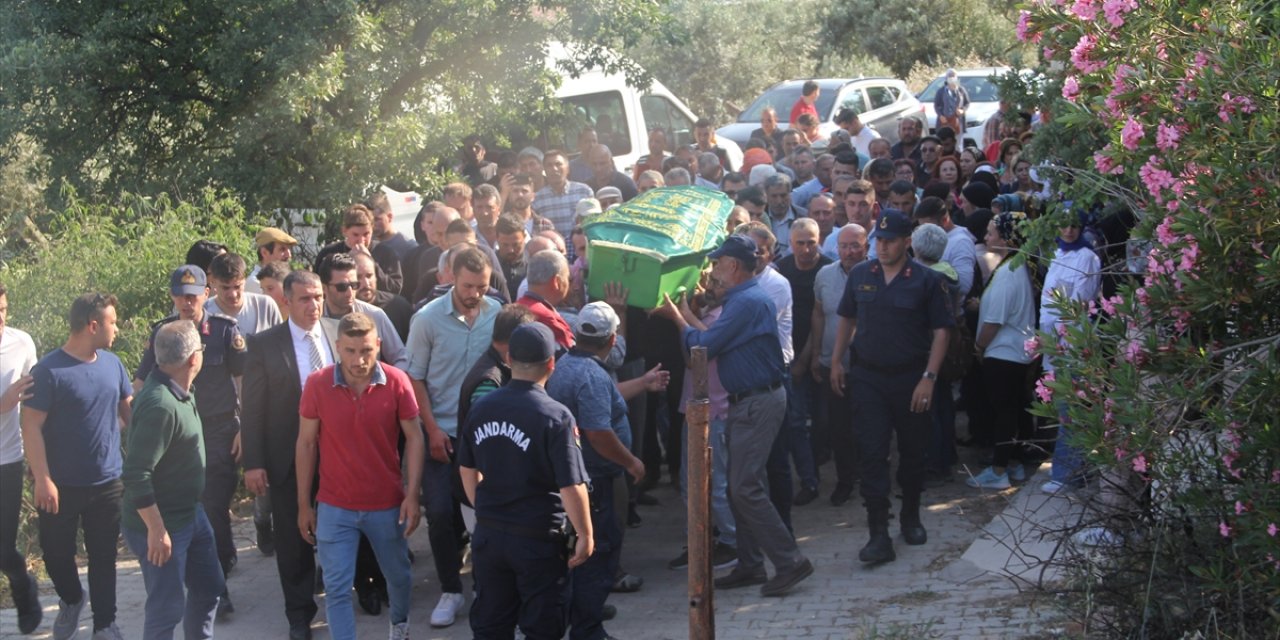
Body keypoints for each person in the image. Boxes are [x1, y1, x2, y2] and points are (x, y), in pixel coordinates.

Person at [655, 235, 814, 597]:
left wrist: (678, 318)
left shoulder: (747, 301)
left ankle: (789, 561)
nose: (712, 270)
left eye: (717, 263)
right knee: (743, 486)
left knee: (744, 487)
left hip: (757, 401)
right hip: (749, 401)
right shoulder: (744, 298)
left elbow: (702, 346)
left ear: (734, 266)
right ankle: (751, 563)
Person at [829, 210, 953, 564]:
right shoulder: (861, 275)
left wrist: (929, 378)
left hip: (910, 377)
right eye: (878, 241)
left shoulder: (926, 280)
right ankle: (878, 532)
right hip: (868, 378)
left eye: (890, 241)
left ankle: (910, 514)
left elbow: (942, 331)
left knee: (913, 454)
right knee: (871, 453)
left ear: (907, 242)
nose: (882, 247)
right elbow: (847, 318)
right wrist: (837, 361)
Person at [457, 322, 593, 639]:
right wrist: (586, 533)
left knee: (491, 624)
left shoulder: (483, 408)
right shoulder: (555, 416)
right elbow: (571, 485)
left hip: (491, 535)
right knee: (543, 626)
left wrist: (487, 509)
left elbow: (466, 468)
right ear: (551, 363)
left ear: (508, 359)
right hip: (537, 539)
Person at [296, 312, 424, 640]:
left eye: (366, 350)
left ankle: (400, 627)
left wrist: (412, 495)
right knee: (337, 588)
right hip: (335, 506)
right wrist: (304, 505)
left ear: (378, 346)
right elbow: (307, 443)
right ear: (338, 347)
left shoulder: (396, 381)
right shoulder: (317, 384)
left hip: (386, 503)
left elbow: (415, 437)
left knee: (398, 577)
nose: (359, 359)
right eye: (350, 351)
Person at [548, 302, 667, 639]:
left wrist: (643, 382)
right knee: (599, 551)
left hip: (576, 477)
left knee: (580, 551)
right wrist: (631, 461)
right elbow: (599, 434)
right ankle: (588, 627)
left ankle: (583, 611)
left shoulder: (568, 365)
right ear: (612, 340)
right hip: (597, 479)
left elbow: (604, 398)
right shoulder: (592, 375)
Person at [134, 266, 246, 619]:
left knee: (213, 505)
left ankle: (219, 584)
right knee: (198, 509)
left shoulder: (224, 331)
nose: (186, 301)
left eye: (193, 294)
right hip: (175, 433)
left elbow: (243, 380)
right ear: (172, 296)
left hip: (217, 429)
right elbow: (141, 382)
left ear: (206, 293)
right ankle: (212, 577)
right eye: (180, 295)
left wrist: (245, 428)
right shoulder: (163, 334)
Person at [23, 293, 133, 640]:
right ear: (93, 325)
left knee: (103, 558)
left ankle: (105, 624)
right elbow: (31, 427)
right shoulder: (48, 371)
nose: (117, 328)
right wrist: (43, 478)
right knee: (56, 555)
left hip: (107, 482)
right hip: (60, 484)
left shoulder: (113, 364)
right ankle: (71, 598)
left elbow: (130, 414)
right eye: (113, 322)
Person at [406, 246, 501, 628]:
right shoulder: (426, 320)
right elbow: (414, 377)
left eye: (482, 286)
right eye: (468, 285)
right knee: (442, 514)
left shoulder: (497, 315)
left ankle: (488, 586)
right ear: (450, 278)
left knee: (485, 514)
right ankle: (450, 589)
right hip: (441, 435)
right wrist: (430, 429)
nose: (475, 293)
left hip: (485, 436)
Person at [121, 320, 225, 640]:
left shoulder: (180, 390)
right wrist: (156, 530)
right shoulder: (160, 404)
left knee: (209, 588)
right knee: (166, 610)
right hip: (162, 524)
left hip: (190, 513)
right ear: (194, 358)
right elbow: (136, 474)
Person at [241, 271, 331, 639]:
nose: (314, 305)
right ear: (287, 302)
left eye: (318, 297)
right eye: (305, 299)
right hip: (286, 456)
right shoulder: (265, 345)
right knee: (294, 538)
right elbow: (252, 409)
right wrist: (254, 462)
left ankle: (368, 587)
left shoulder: (336, 334)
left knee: (347, 524)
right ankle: (299, 613)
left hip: (338, 452)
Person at [967, 212, 1038, 489]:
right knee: (1014, 410)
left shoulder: (1009, 273)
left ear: (1007, 239)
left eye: (991, 233)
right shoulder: (1015, 266)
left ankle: (998, 471)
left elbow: (993, 322)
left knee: (1004, 413)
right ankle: (1014, 462)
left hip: (1003, 354)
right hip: (1015, 352)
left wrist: (978, 347)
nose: (986, 238)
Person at [1041, 216, 1102, 495]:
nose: (1068, 230)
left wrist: (1064, 341)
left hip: (1073, 343)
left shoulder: (1087, 257)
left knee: (1072, 410)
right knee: (1066, 407)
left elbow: (1079, 302)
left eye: (1073, 225)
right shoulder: (1056, 253)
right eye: (1062, 224)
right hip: (1055, 342)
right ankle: (1073, 470)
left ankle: (1067, 474)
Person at [809, 224, 868, 505]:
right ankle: (846, 480)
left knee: (869, 427)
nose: (849, 252)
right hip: (833, 365)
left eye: (855, 245)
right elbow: (819, 314)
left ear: (866, 246)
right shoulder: (824, 275)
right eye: (844, 246)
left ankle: (870, 480)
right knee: (839, 428)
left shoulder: (878, 275)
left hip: (869, 368)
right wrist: (817, 354)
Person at [776, 219, 833, 506]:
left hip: (819, 353)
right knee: (796, 422)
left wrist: (806, 359)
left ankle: (819, 472)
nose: (807, 248)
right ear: (790, 242)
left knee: (823, 420)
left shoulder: (827, 269)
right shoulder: (782, 270)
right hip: (787, 358)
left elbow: (819, 317)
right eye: (801, 242)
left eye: (812, 242)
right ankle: (809, 481)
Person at [0, 283, 42, 634]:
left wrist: (38, 456)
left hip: (8, 459)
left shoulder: (21, 342)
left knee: (2, 547)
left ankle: (23, 587)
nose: (0, 318)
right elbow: (11, 399)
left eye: (2, 309)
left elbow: (35, 402)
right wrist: (4, 402)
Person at [316, 253, 409, 369]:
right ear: (324, 288)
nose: (350, 293)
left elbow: (401, 357)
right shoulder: (314, 320)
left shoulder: (374, 315)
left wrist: (386, 383)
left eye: (354, 285)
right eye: (342, 287)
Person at [314, 204, 404, 296]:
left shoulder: (386, 252)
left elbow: (395, 288)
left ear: (372, 230)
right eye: (356, 235)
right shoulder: (329, 253)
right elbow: (318, 288)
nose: (361, 240)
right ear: (344, 231)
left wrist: (371, 263)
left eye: (366, 234)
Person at [533, 150, 595, 260]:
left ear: (567, 168)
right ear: (544, 170)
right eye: (549, 165)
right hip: (554, 255)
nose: (554, 169)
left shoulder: (584, 191)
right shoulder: (537, 199)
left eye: (558, 164)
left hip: (583, 252)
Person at [206, 253, 284, 336]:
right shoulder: (204, 312)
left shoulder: (265, 306)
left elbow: (283, 343)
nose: (233, 294)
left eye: (237, 287)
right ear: (213, 283)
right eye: (225, 288)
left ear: (245, 279)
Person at [517, 249, 575, 352]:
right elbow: (571, 357)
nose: (569, 284)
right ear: (557, 282)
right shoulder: (548, 320)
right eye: (568, 278)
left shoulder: (515, 309)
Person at [352, 250, 413, 342]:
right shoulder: (342, 309)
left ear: (376, 276)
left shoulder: (399, 307)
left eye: (369, 276)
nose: (365, 283)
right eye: (358, 277)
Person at [246, 227, 298, 293]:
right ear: (264, 253)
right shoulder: (255, 282)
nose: (289, 255)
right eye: (282, 249)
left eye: (289, 249)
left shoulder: (287, 278)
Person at [367, 191, 416, 260]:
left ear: (389, 217)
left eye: (377, 219)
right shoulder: (366, 245)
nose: (372, 224)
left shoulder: (409, 247)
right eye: (369, 220)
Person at [933, 69, 970, 134]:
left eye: (953, 76)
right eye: (950, 76)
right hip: (944, 122)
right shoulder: (941, 91)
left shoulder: (961, 90)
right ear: (946, 78)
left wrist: (962, 110)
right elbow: (936, 105)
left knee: (958, 142)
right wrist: (940, 116)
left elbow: (967, 103)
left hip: (958, 122)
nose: (952, 78)